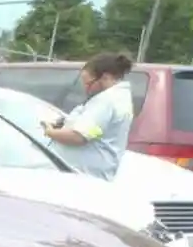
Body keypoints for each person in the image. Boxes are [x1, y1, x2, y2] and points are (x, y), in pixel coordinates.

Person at [40, 52, 135, 181]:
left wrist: (50, 132)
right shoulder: (118, 98)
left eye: (88, 84)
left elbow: (79, 137)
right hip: (89, 173)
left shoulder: (107, 101)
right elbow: (95, 131)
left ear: (105, 77)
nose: (86, 89)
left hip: (82, 176)